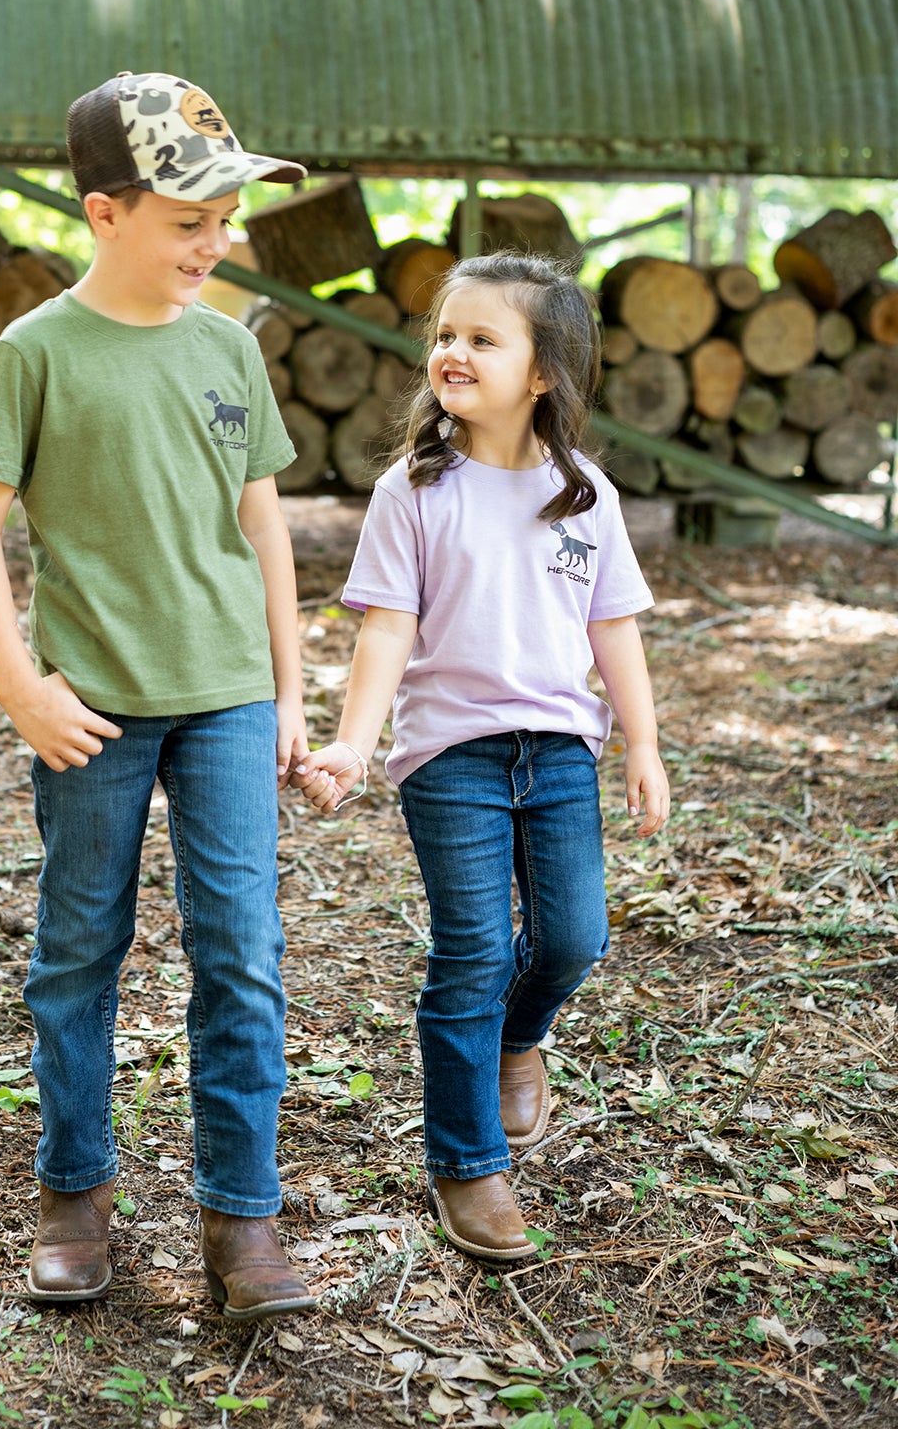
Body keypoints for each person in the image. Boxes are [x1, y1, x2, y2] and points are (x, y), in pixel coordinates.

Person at [0, 71, 317, 1319]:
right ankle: (74, 1193)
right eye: (189, 220)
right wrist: (21, 688)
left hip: (225, 698)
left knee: (242, 957)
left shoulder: (229, 349)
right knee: (77, 951)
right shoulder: (35, 352)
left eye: (227, 220)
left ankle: (243, 1219)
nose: (217, 243)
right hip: (90, 707)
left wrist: (290, 690)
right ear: (106, 214)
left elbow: (262, 524)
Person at [296, 252, 670, 1265]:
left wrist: (642, 744)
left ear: (542, 371)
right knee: (473, 952)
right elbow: (384, 632)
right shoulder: (412, 490)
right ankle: (467, 1164)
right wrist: (351, 744)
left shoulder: (581, 492)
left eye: (481, 338)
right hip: (450, 758)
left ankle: (519, 1039)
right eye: (444, 336)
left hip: (557, 753)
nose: (452, 353)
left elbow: (616, 630)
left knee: (570, 941)